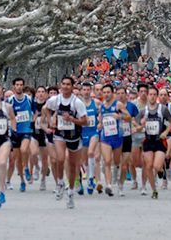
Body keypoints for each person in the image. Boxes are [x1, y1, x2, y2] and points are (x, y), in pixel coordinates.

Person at [43, 76, 88, 209]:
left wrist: (72, 120)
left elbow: (85, 121)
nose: (65, 86)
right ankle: (60, 182)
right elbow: (46, 108)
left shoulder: (77, 102)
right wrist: (51, 119)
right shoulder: (55, 100)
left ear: (72, 86)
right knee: (60, 159)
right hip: (60, 134)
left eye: (68, 84)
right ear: (60, 85)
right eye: (63, 84)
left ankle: (71, 192)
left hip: (74, 136)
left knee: (73, 166)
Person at [139, 86, 171, 199]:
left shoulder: (162, 109)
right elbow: (135, 122)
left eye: (155, 94)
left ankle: (160, 170)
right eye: (151, 94)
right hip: (148, 140)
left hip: (160, 141)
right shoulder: (143, 111)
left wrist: (166, 131)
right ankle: (154, 190)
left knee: (156, 166)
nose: (152, 97)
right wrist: (140, 125)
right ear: (147, 96)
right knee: (148, 165)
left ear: (157, 96)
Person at [98, 84, 130, 197]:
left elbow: (129, 117)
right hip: (105, 137)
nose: (106, 94)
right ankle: (109, 185)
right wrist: (100, 125)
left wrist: (120, 117)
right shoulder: (102, 106)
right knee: (107, 161)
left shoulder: (118, 104)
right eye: (104, 92)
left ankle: (116, 172)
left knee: (116, 162)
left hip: (117, 136)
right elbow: (101, 119)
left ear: (112, 93)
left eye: (108, 92)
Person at [6, 78, 33, 193]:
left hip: (26, 129)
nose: (19, 87)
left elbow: (35, 111)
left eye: (21, 85)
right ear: (13, 86)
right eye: (17, 85)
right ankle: (22, 181)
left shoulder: (29, 99)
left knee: (24, 149)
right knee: (16, 159)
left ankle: (26, 167)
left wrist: (33, 121)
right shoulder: (10, 100)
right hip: (14, 132)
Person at [79, 82, 100, 195]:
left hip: (93, 132)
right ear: (81, 91)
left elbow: (102, 114)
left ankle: (91, 178)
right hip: (82, 133)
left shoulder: (96, 103)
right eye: (84, 90)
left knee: (91, 153)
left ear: (90, 91)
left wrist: (100, 122)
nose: (86, 92)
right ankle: (88, 173)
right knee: (84, 160)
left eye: (88, 90)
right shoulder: (77, 103)